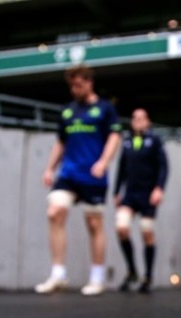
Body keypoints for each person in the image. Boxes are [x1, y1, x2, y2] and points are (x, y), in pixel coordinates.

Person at [35, 64, 122, 296]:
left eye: (79, 84)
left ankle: (97, 277)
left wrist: (103, 162)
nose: (75, 89)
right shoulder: (67, 111)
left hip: (93, 175)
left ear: (89, 82)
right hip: (68, 174)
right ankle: (58, 274)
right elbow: (61, 142)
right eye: (72, 85)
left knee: (94, 224)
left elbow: (114, 136)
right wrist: (49, 169)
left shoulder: (105, 109)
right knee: (54, 212)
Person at [113, 108, 169, 294]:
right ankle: (131, 271)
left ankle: (148, 276)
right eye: (134, 117)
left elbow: (163, 167)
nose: (137, 121)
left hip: (148, 194)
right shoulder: (127, 142)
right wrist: (116, 192)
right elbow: (121, 168)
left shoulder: (154, 141)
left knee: (146, 231)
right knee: (121, 227)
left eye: (141, 118)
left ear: (148, 122)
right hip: (130, 194)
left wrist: (159, 188)